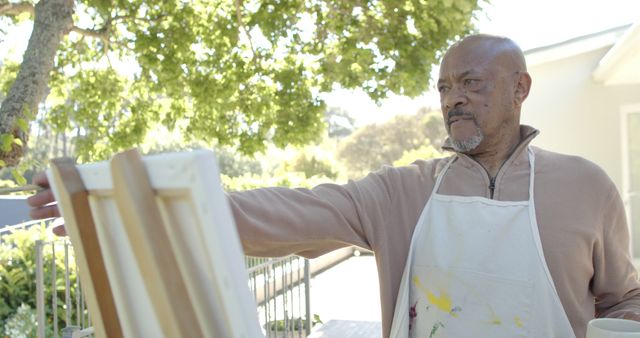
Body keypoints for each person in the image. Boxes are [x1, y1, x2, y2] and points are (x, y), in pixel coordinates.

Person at [28, 34, 640, 338]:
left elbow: (621, 299)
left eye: (472, 83)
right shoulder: (401, 193)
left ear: (520, 88)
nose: (454, 98)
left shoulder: (585, 187)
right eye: (445, 88)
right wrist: (122, 204)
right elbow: (288, 212)